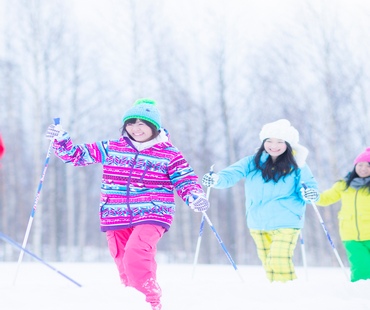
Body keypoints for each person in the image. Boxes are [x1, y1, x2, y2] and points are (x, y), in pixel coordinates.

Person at [46, 98, 209, 310]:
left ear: (154, 126)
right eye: (131, 123)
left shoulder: (169, 153)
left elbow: (185, 179)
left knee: (136, 252)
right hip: (115, 213)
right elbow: (76, 155)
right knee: (124, 264)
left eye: (142, 123)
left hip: (153, 211)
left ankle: (152, 299)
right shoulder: (112, 148)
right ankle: (134, 301)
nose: (136, 128)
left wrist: (194, 196)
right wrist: (60, 140)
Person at [202, 119, 318, 282]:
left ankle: (290, 293)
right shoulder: (252, 162)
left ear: (288, 144)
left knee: (278, 260)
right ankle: (276, 295)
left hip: (287, 220)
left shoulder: (298, 165)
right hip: (258, 221)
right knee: (268, 264)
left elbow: (308, 185)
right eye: (269, 141)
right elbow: (231, 174)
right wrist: (216, 179)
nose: (274, 145)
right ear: (263, 142)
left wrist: (309, 193)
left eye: (279, 141)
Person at [314, 147, 370, 282]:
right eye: (360, 165)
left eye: (368, 166)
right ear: (355, 166)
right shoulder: (344, 185)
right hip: (350, 234)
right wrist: (315, 196)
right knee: (361, 267)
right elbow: (327, 198)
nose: (363, 168)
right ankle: (360, 292)